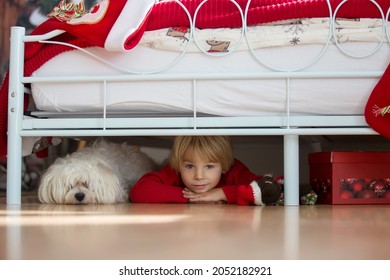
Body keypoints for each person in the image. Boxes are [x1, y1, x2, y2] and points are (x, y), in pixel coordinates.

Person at [130, 136, 281, 205]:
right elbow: (138, 191)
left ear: (224, 165)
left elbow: (269, 188)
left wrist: (221, 193)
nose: (199, 176)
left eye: (209, 167)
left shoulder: (233, 169)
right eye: (190, 166)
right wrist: (191, 198)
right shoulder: (176, 170)